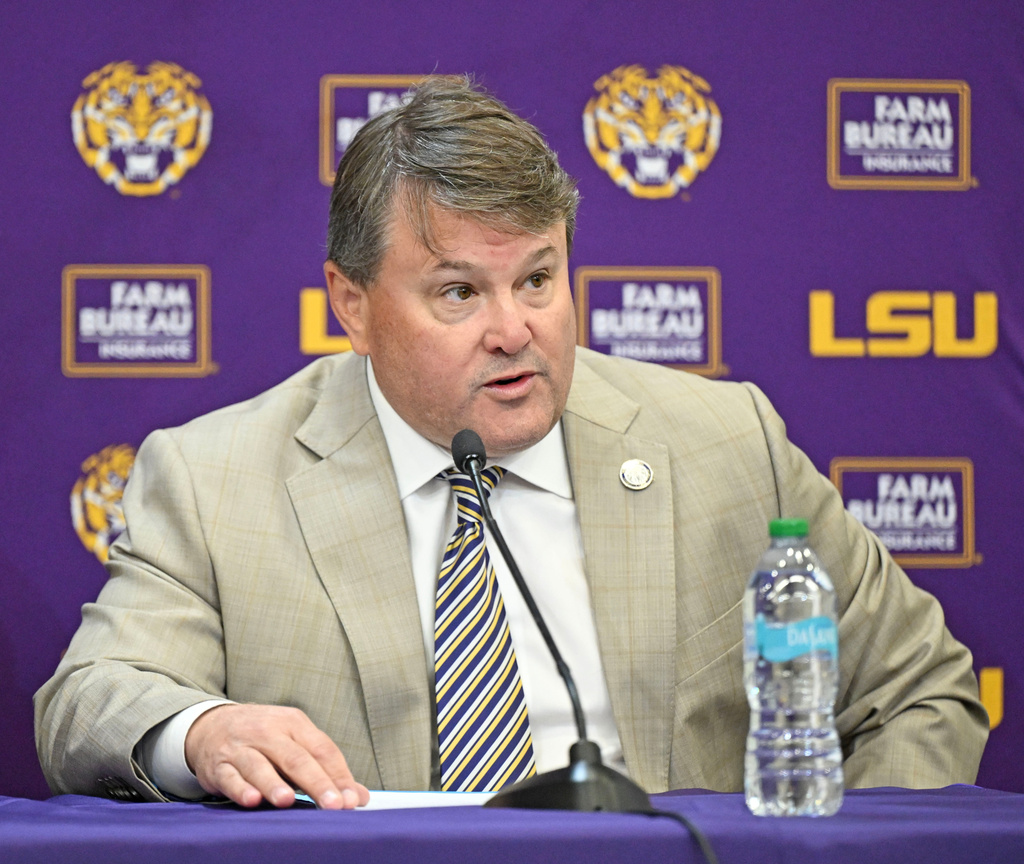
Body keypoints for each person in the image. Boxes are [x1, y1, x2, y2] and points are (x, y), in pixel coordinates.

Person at [35, 76, 988, 810]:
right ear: (351, 305)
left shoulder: (724, 444)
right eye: (459, 293)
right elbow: (88, 700)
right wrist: (202, 729)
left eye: (538, 279)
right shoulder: (216, 482)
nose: (515, 329)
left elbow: (922, 689)